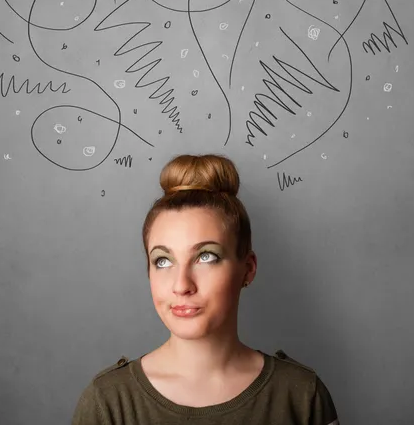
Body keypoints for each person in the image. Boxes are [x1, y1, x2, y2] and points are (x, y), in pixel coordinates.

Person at [72, 153, 340, 424]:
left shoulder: (302, 396)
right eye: (163, 261)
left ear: (247, 268)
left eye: (206, 257)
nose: (182, 285)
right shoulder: (107, 402)